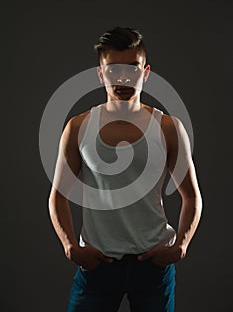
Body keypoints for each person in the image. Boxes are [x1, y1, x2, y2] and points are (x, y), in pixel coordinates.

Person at [48, 27, 203, 312]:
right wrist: (70, 246)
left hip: (152, 266)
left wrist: (180, 246)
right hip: (98, 266)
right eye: (113, 70)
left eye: (132, 69)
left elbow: (191, 195)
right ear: (100, 73)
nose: (122, 78)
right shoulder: (79, 127)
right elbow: (58, 195)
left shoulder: (168, 128)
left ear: (145, 73)